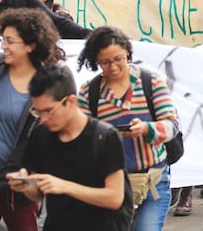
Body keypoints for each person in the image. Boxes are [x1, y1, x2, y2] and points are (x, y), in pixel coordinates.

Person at [77, 26, 181, 231]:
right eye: (105, 63)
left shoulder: (150, 81)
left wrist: (146, 129)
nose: (113, 67)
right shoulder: (90, 91)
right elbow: (82, 136)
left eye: (118, 59)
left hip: (153, 180)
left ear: (128, 53)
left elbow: (172, 125)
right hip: (110, 184)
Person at [7, 62, 133, 230]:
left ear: (71, 101)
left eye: (49, 111)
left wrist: (64, 186)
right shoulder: (41, 134)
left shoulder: (105, 136)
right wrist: (27, 185)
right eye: (38, 112)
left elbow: (114, 198)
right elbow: (37, 193)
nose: (43, 118)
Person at [0, 8, 62, 231]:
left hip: (22, 190)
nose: (3, 46)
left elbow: (30, 145)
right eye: (3, 40)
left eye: (10, 41)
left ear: (31, 45)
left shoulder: (47, 86)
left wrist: (0, 184)